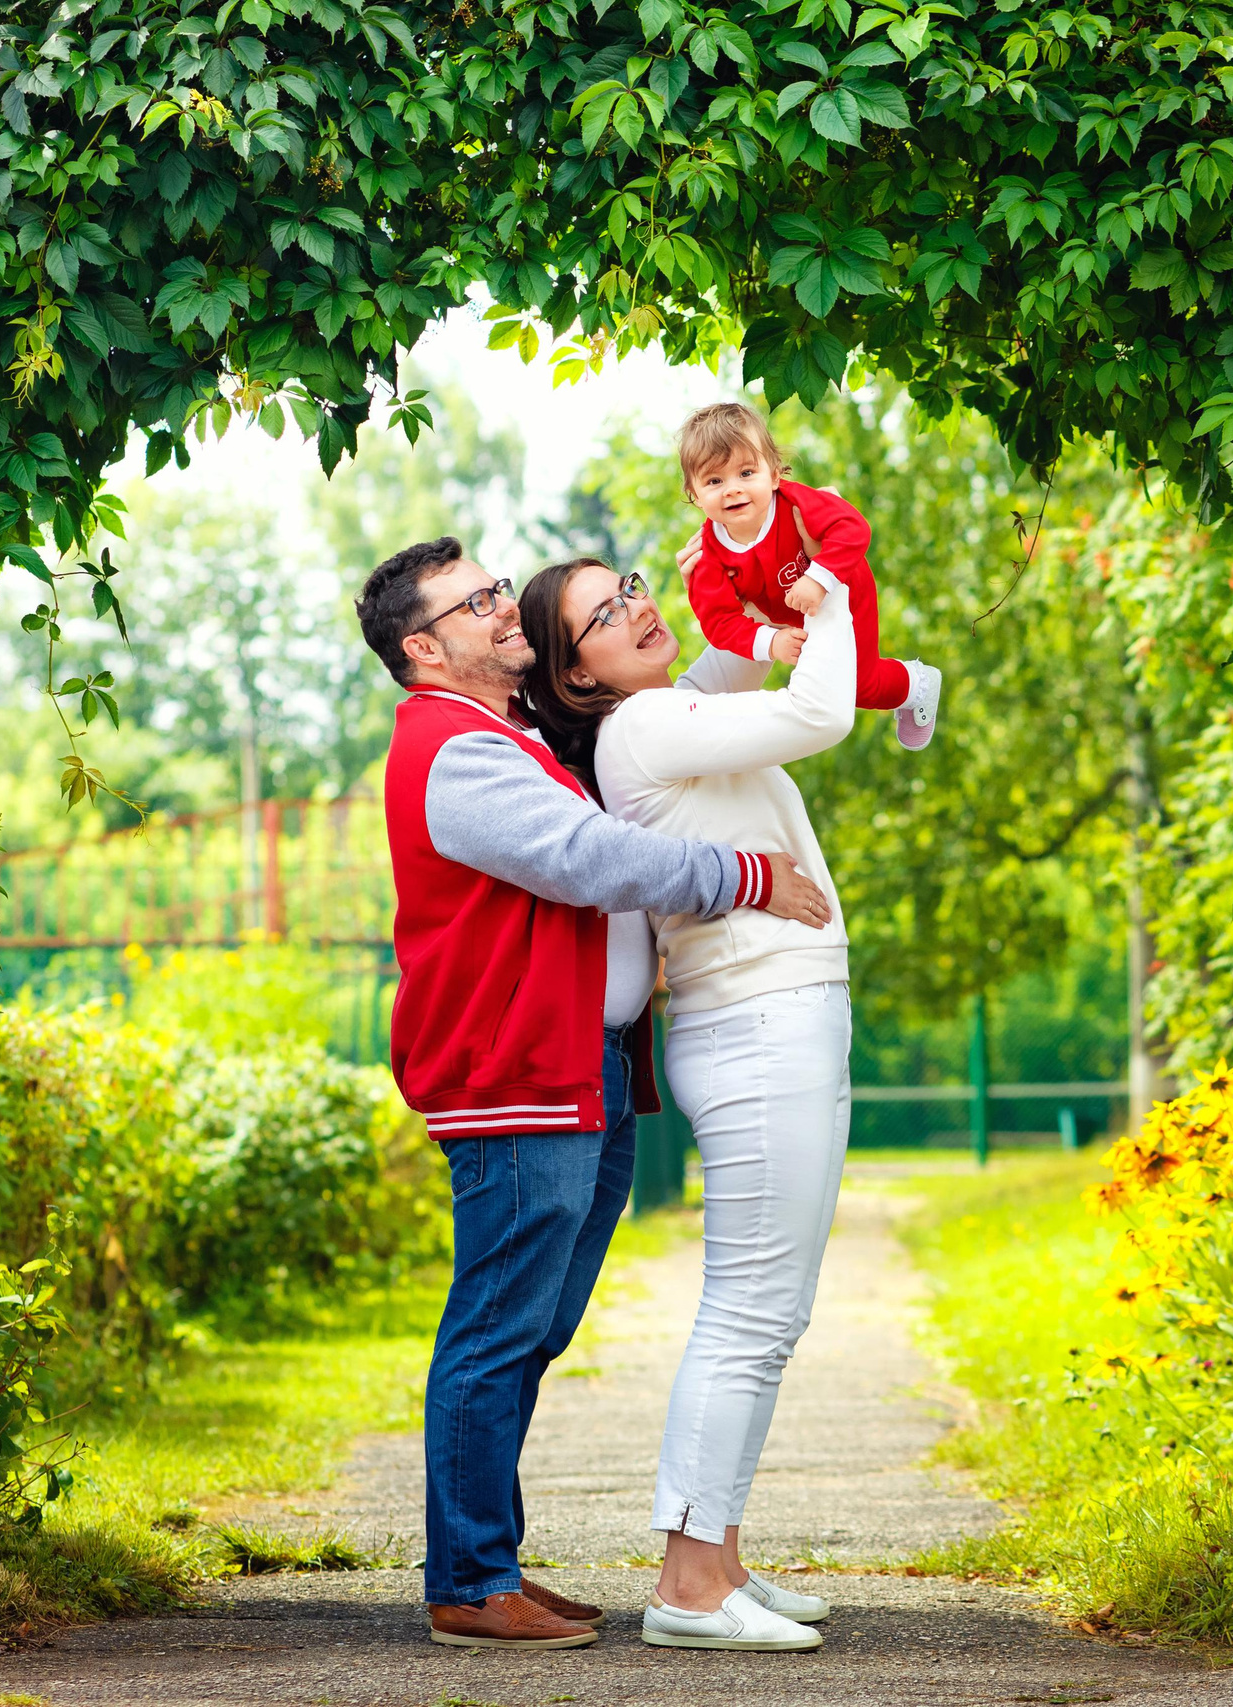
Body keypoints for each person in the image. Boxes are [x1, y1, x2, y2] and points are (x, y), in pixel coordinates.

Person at [356, 535, 834, 1651]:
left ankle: (488, 1567)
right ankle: (471, 1582)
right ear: (424, 648)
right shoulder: (452, 748)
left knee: (530, 1330)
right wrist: (743, 876)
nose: (496, 607)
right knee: (496, 1331)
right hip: (514, 1076)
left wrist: (731, 595)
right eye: (473, 603)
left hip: (580, 1068)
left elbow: (663, 720)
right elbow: (586, 859)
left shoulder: (507, 732)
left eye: (491, 588)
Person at [513, 513, 858, 1653]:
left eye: (628, 586)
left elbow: (735, 654)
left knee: (769, 1305)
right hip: (761, 1019)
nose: (635, 608)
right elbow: (816, 711)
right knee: (751, 1309)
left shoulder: (663, 715)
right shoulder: (649, 725)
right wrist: (831, 609)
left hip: (765, 1011)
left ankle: (720, 1556)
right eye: (601, 618)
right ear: (576, 673)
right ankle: (691, 1586)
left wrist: (761, 589)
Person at [673, 400, 943, 750]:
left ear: (773, 474)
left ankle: (918, 683)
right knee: (828, 684)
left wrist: (819, 578)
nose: (732, 489)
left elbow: (852, 526)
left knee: (858, 684)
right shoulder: (707, 555)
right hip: (795, 618)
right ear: (694, 495)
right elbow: (718, 621)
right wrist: (770, 642)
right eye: (714, 480)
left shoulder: (793, 503)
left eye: (745, 473)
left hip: (843, 584)